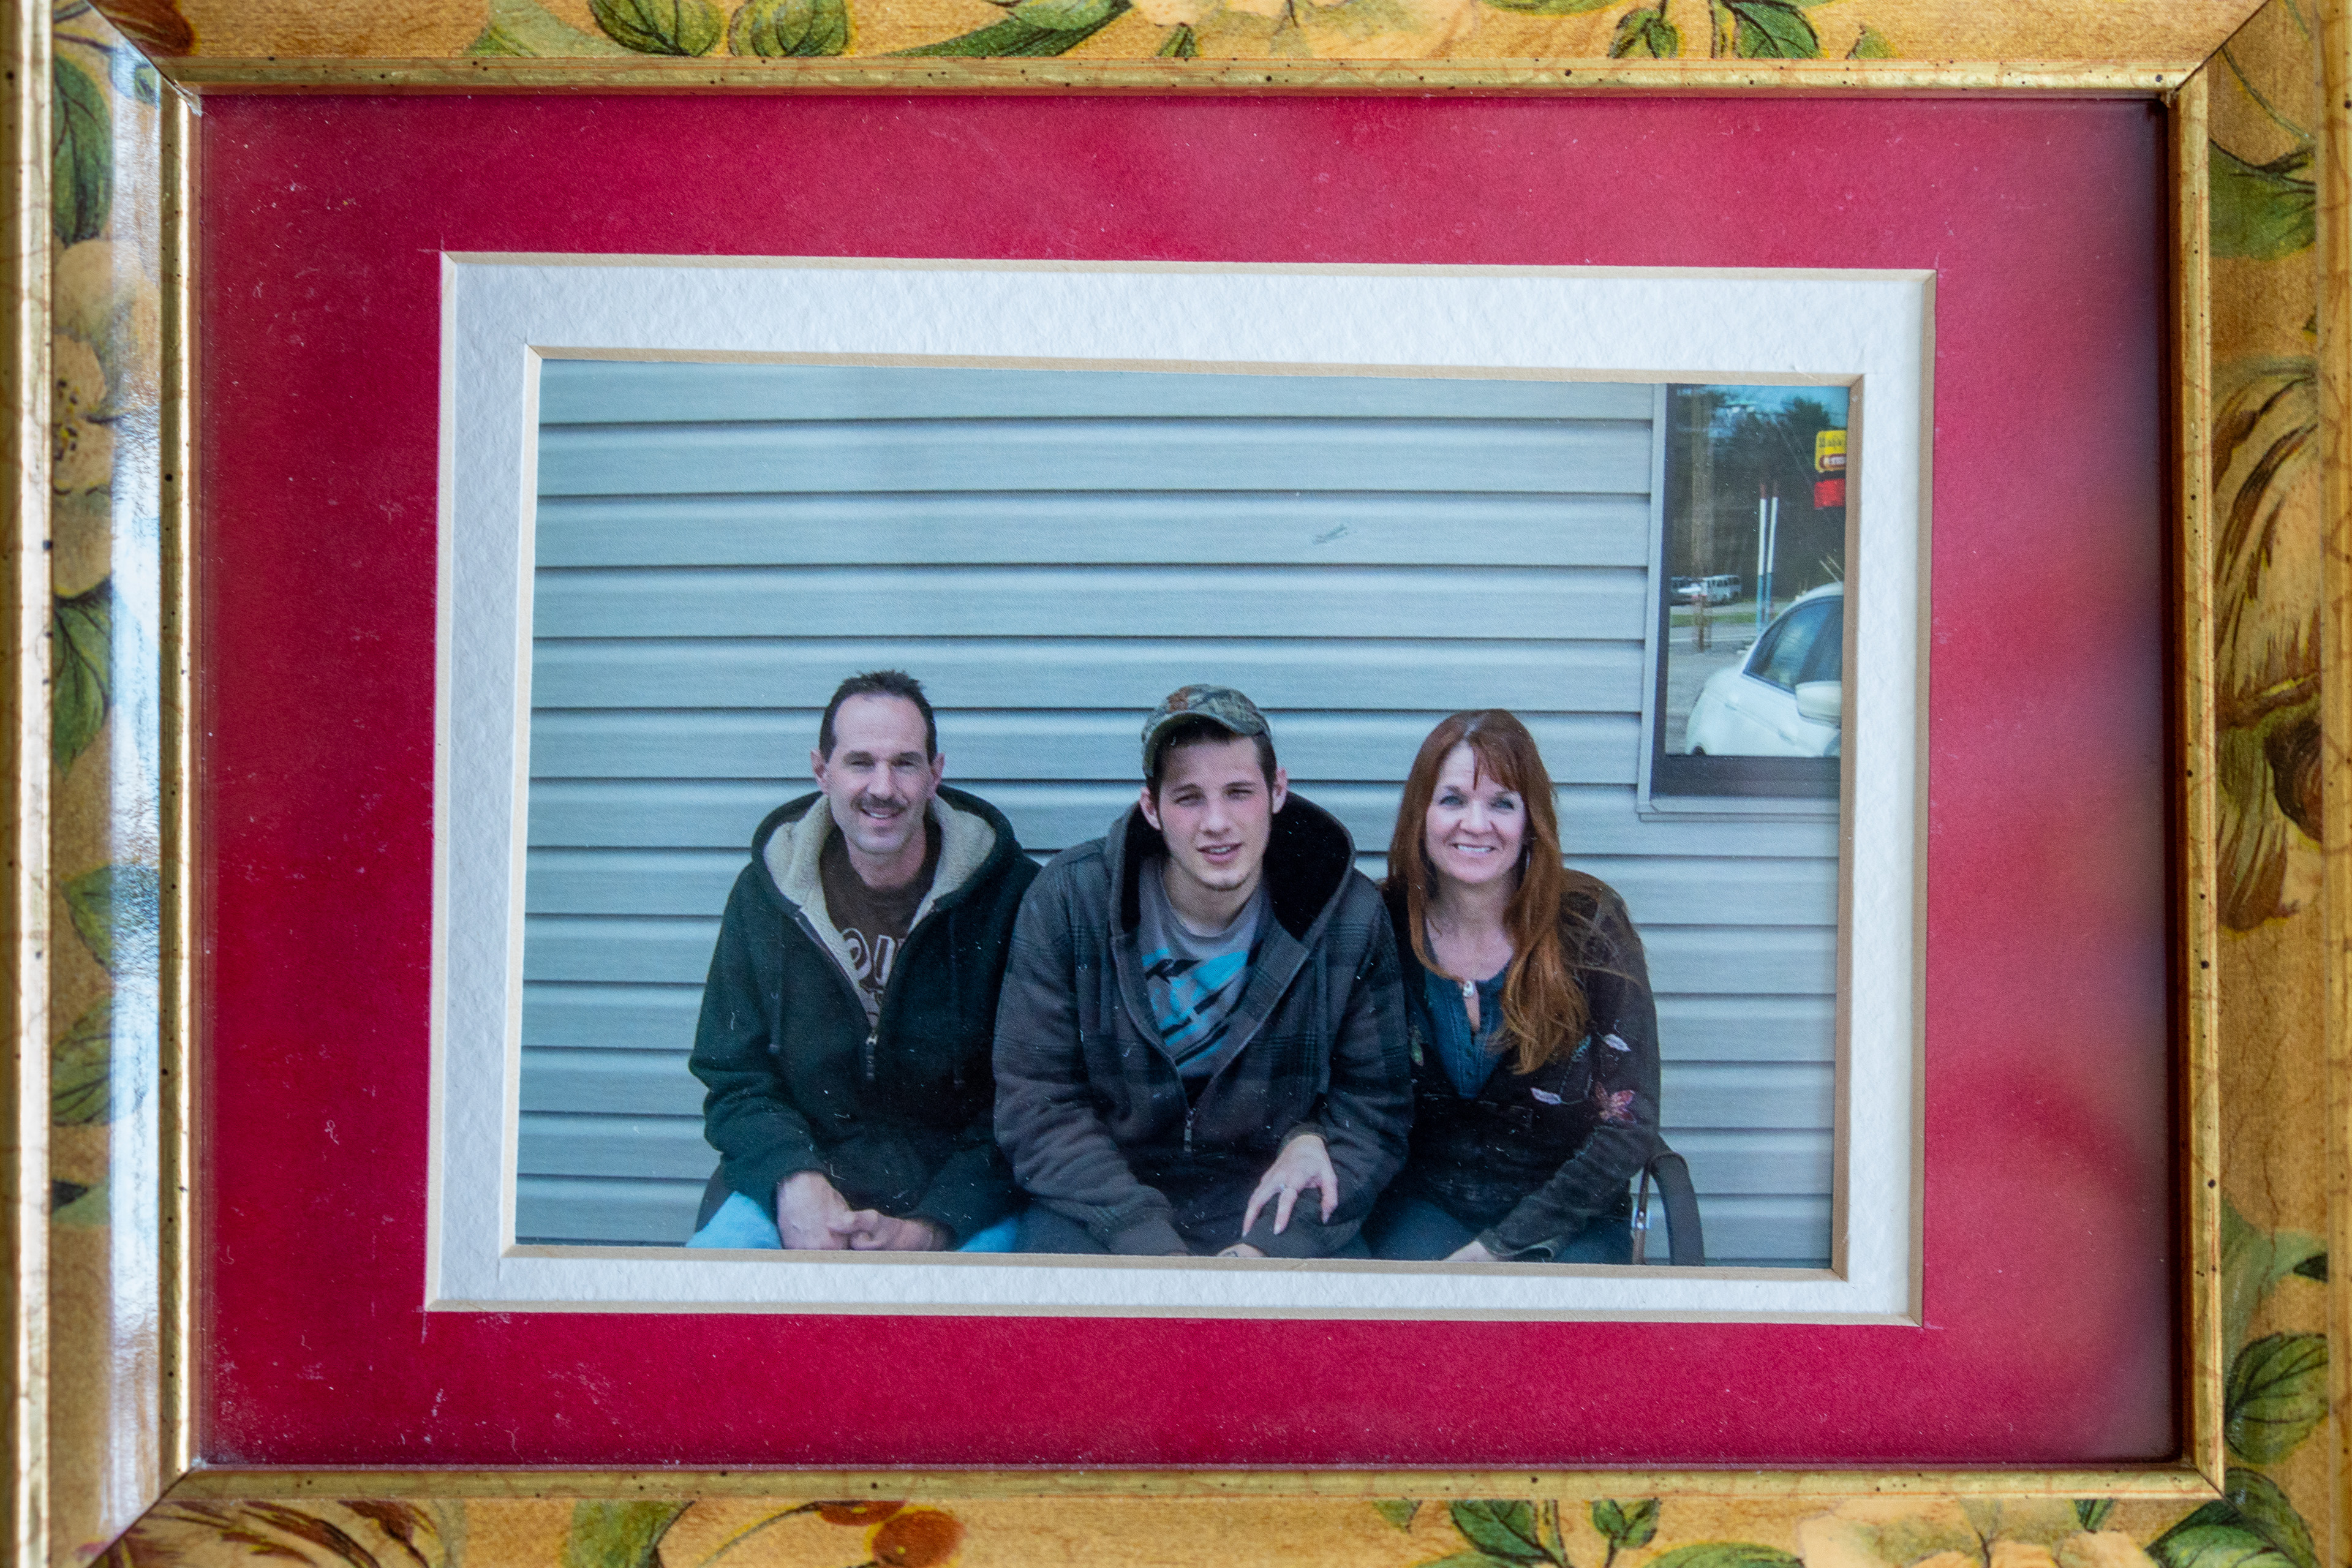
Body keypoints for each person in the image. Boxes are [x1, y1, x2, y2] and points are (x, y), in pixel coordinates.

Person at [993, 685, 1412, 1257]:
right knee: (1050, 1333)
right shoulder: (1070, 901)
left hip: (1270, 1197)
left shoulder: (1346, 915)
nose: (1217, 822)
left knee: (1337, 1339)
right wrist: (1143, 1237)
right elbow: (1036, 1102)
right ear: (1151, 809)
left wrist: (1271, 1247)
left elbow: (1375, 1110)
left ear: (1277, 792)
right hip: (1108, 1194)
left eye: (1239, 793)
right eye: (1189, 798)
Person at [685, 670, 1038, 1252]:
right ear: (821, 772)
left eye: (905, 763)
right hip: (800, 1181)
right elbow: (733, 1078)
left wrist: (931, 1227)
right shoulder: (765, 895)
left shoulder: (1013, 899)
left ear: (936, 774)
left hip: (960, 1197)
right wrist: (796, 1185)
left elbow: (1031, 1098)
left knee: (983, 1329)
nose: (883, 787)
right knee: (705, 1304)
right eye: (859, 763)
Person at [1366, 709, 1662, 1263]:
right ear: (1421, 815)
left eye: (1501, 803)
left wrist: (1499, 1248)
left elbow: (1630, 1121)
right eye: (1453, 799)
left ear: (1530, 822)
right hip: (1425, 1206)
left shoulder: (1588, 923)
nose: (1475, 824)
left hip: (1570, 1215)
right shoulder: (1381, 922)